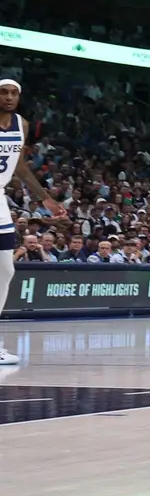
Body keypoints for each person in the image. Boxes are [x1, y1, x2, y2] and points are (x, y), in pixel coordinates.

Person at [0, 78, 66, 364]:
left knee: (5, 271)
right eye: (3, 92)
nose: (9, 97)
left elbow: (21, 168)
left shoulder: (21, 125)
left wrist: (46, 200)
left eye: (14, 93)